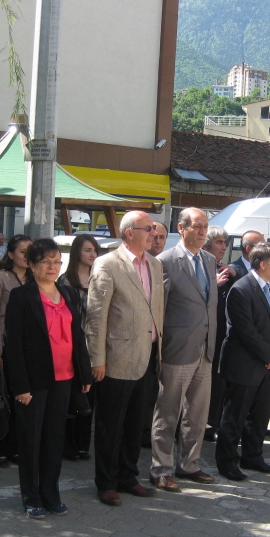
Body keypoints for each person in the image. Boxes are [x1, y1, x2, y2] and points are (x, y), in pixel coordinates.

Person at [4, 238, 92, 519]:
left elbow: (78, 336)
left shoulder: (68, 293)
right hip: (34, 381)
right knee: (31, 440)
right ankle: (31, 498)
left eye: (57, 261)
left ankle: (51, 495)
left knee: (54, 439)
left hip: (64, 378)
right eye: (45, 262)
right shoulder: (21, 297)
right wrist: (21, 386)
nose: (52, 267)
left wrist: (84, 372)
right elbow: (13, 345)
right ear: (31, 264)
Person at [86, 211, 164, 506]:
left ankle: (128, 477)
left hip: (148, 357)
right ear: (130, 232)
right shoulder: (107, 264)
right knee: (110, 424)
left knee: (135, 424)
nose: (153, 235)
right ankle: (106, 482)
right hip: (116, 359)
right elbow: (96, 316)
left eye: (154, 231)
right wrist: (97, 359)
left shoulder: (155, 265)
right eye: (148, 230)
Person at [151, 207, 218, 492]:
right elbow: (159, 308)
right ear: (182, 228)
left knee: (197, 415)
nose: (203, 232)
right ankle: (161, 469)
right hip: (177, 350)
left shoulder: (210, 260)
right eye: (198, 226)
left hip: (205, 349)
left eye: (205, 227)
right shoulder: (165, 261)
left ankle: (189, 464)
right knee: (168, 415)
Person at [216, 242, 270, 481]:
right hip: (244, 364)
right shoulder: (241, 289)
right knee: (235, 417)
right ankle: (227, 462)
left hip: (268, 367)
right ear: (263, 264)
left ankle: (253, 456)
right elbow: (245, 331)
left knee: (259, 416)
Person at [0, 234, 33, 468]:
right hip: (3, 348)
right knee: (0, 400)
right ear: (11, 254)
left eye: (30, 251)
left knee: (22, 402)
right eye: (22, 251)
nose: (27, 256)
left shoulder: (36, 279)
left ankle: (15, 447)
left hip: (28, 351)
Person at [57, 234, 100, 460]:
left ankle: (83, 444)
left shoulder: (100, 277)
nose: (92, 254)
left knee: (89, 397)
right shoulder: (65, 281)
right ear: (77, 253)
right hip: (73, 347)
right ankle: (68, 445)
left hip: (95, 346)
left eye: (94, 250)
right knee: (72, 398)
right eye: (87, 250)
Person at [203, 225, 235, 442]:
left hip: (223, 338)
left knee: (218, 385)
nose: (224, 247)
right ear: (207, 244)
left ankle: (212, 425)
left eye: (225, 242)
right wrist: (214, 285)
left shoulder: (225, 270)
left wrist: (234, 274)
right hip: (202, 338)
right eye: (219, 242)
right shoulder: (201, 269)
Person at [141, 222, 169, 448]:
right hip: (134, 343)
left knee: (152, 390)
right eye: (153, 235)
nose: (157, 240)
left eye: (162, 237)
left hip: (159, 342)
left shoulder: (159, 265)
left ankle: (147, 431)